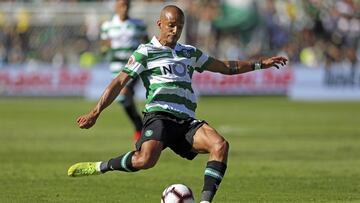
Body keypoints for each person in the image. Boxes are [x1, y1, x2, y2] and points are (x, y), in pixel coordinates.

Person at [68, 5, 288, 203]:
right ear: (160, 24)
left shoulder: (189, 52)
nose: (175, 30)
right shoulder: (145, 52)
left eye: (179, 27)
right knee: (145, 160)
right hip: (159, 116)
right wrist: (95, 112)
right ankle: (99, 166)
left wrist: (259, 63)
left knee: (220, 145)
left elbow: (225, 67)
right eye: (171, 25)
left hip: (185, 120)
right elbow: (119, 81)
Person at [100, 0, 148, 142]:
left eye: (127, 5)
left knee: (125, 91)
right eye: (122, 5)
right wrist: (106, 51)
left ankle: (144, 128)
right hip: (116, 67)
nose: (124, 8)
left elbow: (146, 42)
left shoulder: (138, 24)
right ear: (116, 7)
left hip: (134, 65)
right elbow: (104, 44)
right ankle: (139, 125)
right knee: (124, 100)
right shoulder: (108, 26)